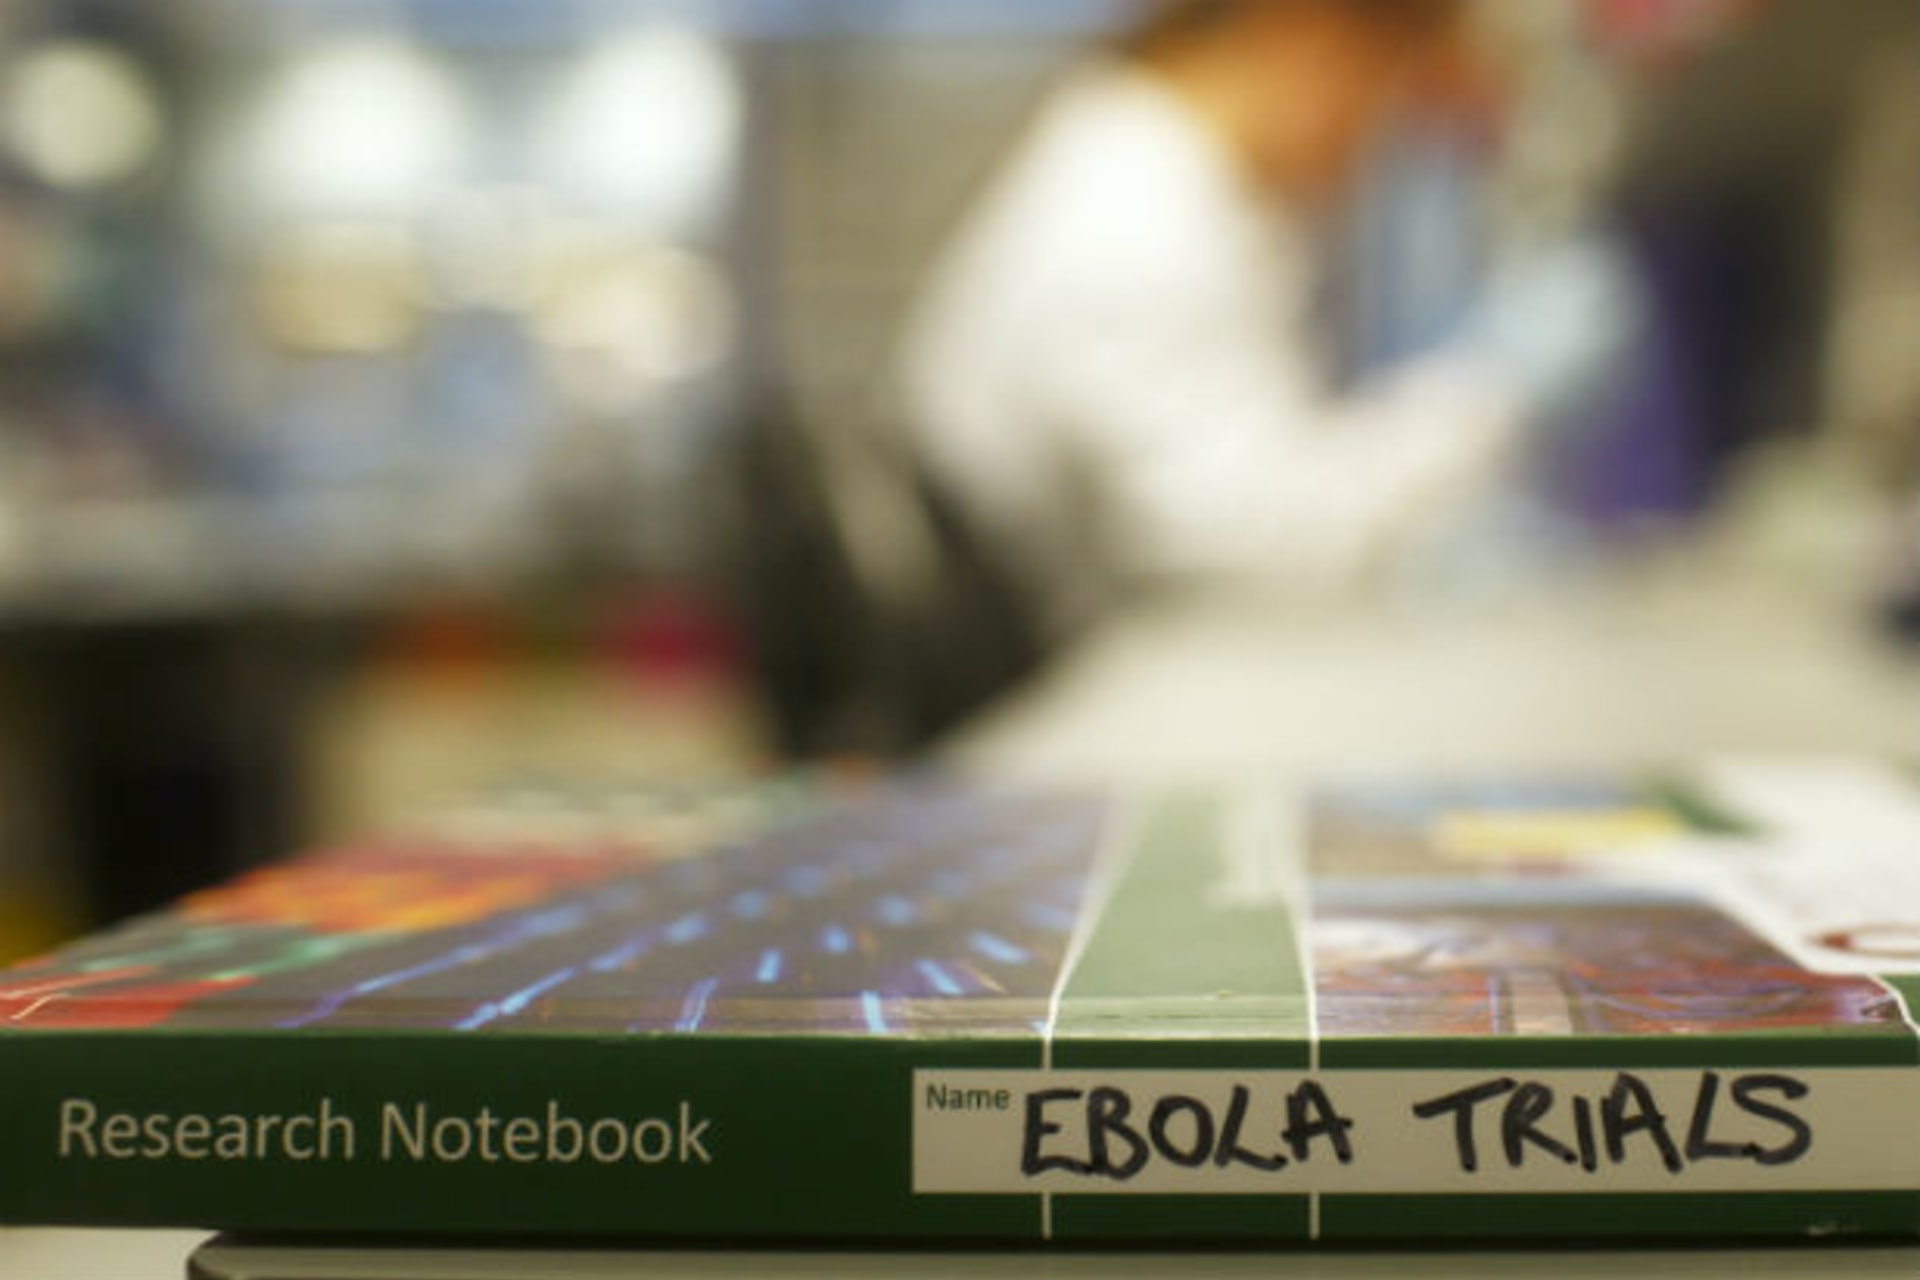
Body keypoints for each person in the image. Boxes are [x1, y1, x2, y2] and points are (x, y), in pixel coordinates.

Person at [897, 0, 1634, 637]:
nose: (1376, 148)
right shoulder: (1137, 216)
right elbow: (1251, 554)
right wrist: (1494, 392)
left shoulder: (1169, 178)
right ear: (1312, 35)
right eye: (1392, 91)